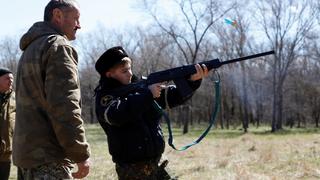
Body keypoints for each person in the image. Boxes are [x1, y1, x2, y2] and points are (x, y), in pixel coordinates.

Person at [94, 46, 208, 179]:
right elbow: (116, 115)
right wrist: (148, 94)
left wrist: (192, 81)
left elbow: (171, 97)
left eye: (130, 69)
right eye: (124, 71)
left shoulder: (141, 88)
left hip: (156, 163)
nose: (130, 73)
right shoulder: (106, 97)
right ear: (109, 74)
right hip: (132, 168)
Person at [13, 0, 90, 179]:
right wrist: (80, 154)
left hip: (27, 157)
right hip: (49, 158)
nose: (79, 25)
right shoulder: (58, 46)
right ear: (58, 15)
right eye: (76, 18)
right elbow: (65, 107)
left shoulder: (31, 49)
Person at [0, 68, 14, 180]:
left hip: (6, 153)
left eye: (12, 79)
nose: (11, 81)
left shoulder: (15, 98)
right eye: (7, 78)